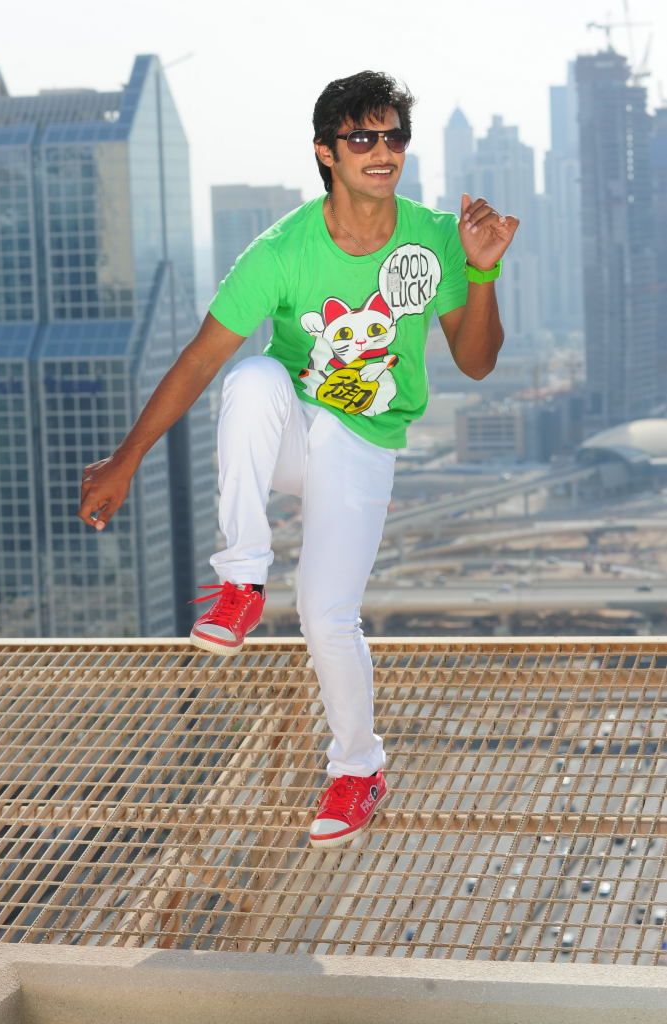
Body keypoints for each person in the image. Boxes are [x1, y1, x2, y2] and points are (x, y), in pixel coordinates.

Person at [77, 70, 519, 850]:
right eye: (361, 137)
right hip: (289, 433)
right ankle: (242, 581)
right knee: (251, 377)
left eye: (392, 136)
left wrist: (482, 270)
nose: (381, 151)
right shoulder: (280, 251)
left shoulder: (435, 239)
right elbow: (199, 360)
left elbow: (477, 363)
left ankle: (357, 770)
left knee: (325, 615)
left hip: (363, 445)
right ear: (325, 152)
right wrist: (125, 458)